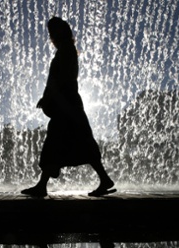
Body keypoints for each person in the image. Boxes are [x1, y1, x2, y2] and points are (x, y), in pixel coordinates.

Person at [21, 17, 115, 198]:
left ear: (59, 33)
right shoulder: (67, 51)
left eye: (52, 33)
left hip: (66, 105)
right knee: (80, 142)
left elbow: (60, 80)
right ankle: (103, 179)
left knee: (57, 142)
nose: (51, 38)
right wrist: (48, 97)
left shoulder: (65, 52)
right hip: (70, 103)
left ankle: (42, 186)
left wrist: (48, 97)